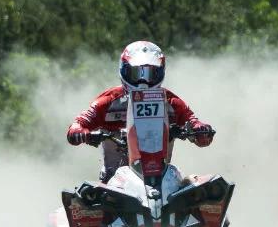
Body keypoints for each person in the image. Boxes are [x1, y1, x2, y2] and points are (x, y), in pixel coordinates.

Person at [65, 41, 214, 181]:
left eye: (150, 74)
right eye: (136, 74)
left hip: (161, 177)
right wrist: (79, 131)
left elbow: (196, 126)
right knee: (81, 201)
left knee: (207, 190)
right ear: (124, 70)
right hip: (113, 181)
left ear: (160, 72)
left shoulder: (171, 101)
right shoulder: (108, 100)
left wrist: (200, 131)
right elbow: (78, 123)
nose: (143, 81)